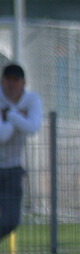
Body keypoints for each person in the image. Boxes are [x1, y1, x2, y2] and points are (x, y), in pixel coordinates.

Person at [0, 63, 44, 243]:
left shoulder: (32, 100)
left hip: (12, 169)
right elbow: (2, 136)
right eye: (8, 81)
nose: (12, 85)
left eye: (16, 81)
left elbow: (33, 128)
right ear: (3, 81)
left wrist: (9, 115)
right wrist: (18, 116)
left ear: (23, 82)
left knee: (11, 220)